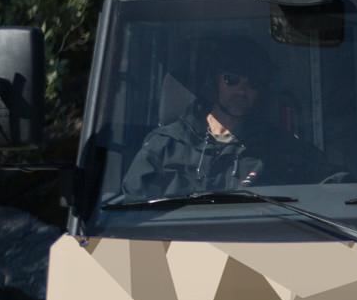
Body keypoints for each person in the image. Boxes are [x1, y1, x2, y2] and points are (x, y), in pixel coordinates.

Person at [122, 39, 297, 197]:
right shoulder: (165, 145)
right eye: (231, 80)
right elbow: (134, 210)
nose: (241, 91)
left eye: (253, 84)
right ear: (213, 82)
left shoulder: (275, 150)